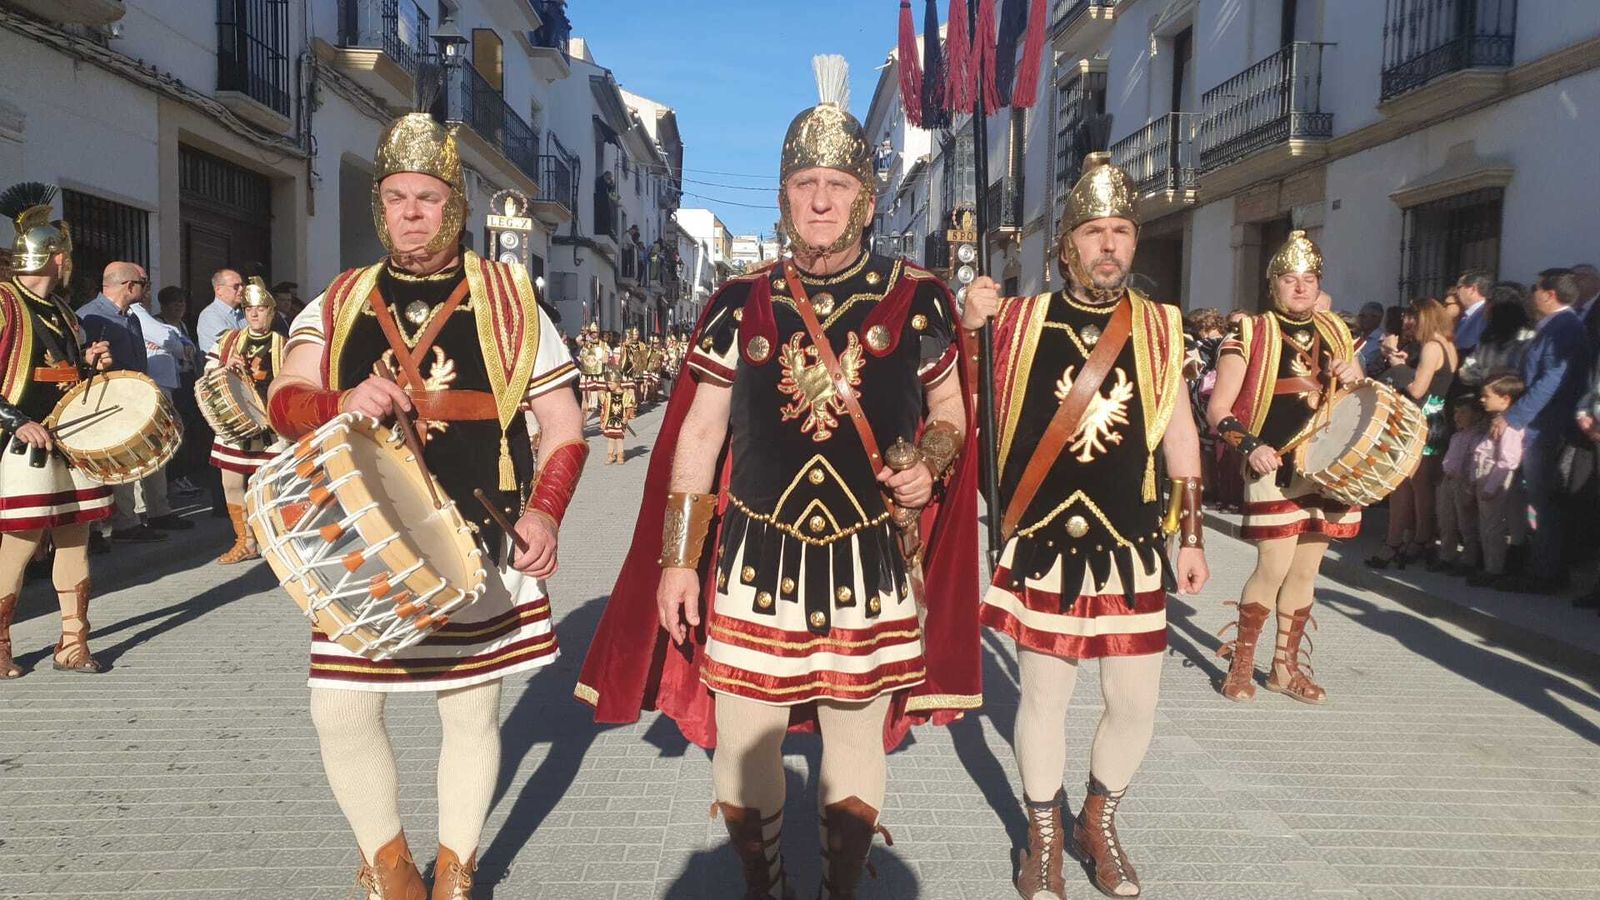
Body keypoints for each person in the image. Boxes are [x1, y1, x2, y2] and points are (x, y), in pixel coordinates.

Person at [576, 56, 980, 900]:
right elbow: (696, 434)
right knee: (744, 739)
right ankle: (766, 886)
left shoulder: (920, 298)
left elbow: (951, 410)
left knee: (857, 737)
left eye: (837, 183)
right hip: (757, 557)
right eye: (805, 184)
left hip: (870, 560)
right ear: (785, 195)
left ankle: (840, 886)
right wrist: (679, 560)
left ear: (867, 196)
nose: (821, 200)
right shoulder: (738, 301)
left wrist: (933, 465)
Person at [264, 106, 585, 898]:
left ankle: (456, 869)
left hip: (478, 544)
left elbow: (564, 423)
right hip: (360, 543)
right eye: (398, 197)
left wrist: (544, 511)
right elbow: (284, 396)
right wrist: (338, 400)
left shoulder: (511, 299)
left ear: (457, 207)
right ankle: (391, 866)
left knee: (469, 717)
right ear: (381, 205)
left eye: (430, 198)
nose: (412, 213)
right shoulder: (339, 299)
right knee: (339, 711)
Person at [963, 152, 1208, 900]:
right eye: (1095, 232)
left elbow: (1178, 430)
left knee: (1135, 703)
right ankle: (1042, 833)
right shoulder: (1019, 319)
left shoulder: (1163, 327)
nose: (1110, 245)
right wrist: (971, 321)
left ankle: (1095, 821)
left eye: (1122, 232)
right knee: (1044, 699)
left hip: (1133, 544)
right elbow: (968, 406)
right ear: (1068, 244)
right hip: (1044, 544)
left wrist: (1190, 532)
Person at [1207, 230, 1364, 705]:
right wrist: (1249, 446)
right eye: (1291, 279)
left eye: (1310, 279)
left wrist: (1356, 376)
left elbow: (1359, 404)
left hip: (1327, 467)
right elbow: (1219, 410)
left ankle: (1284, 668)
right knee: (1273, 566)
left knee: (1305, 572)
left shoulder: (1338, 331)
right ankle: (1241, 664)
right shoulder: (1248, 334)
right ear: (1272, 284)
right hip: (1273, 463)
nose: (1301, 288)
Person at [0, 182, 115, 678]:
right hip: (20, 443)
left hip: (67, 441)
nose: (68, 263)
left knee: (75, 537)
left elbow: (61, 377)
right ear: (54, 257)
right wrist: (16, 420)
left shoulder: (64, 313)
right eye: (65, 254)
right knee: (21, 541)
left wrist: (88, 366)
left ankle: (73, 642)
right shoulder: (5, 302)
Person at [1491, 269, 1590, 594]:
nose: (1532, 294)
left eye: (1536, 288)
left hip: (1548, 426)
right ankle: (1540, 566)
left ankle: (1546, 573)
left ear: (1548, 294)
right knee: (1538, 499)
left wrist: (1515, 416)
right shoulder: (1556, 326)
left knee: (1544, 502)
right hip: (1541, 425)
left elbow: (1552, 379)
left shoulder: (1565, 327)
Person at [80, 262, 191, 540]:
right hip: (111, 402)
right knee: (121, 462)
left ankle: (156, 511)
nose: (146, 288)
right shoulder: (91, 317)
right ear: (129, 286)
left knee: (151, 455)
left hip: (138, 398)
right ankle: (125, 522)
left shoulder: (130, 316)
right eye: (143, 283)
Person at [1368, 298, 1457, 568]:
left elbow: (1418, 389)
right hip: (1435, 418)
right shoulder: (1446, 344)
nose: (1407, 322)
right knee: (1420, 485)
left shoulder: (1431, 346)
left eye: (1412, 317)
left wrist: (1395, 361)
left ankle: (1397, 542)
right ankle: (1418, 540)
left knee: (1404, 482)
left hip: (1422, 421)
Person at [205, 277, 284, 564]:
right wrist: (225, 366)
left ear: (270, 312)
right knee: (231, 484)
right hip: (236, 424)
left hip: (268, 428)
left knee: (266, 488)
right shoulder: (228, 340)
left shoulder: (282, 344)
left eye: (261, 308)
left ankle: (272, 540)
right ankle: (244, 541)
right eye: (249, 308)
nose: (254, 313)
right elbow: (208, 372)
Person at [1470, 374, 1527, 587]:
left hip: (1494, 479)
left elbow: (1508, 460)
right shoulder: (1493, 422)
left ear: (1505, 399)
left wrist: (1491, 486)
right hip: (1486, 476)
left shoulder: (1510, 428)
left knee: (1493, 527)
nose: (1482, 400)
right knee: (1489, 525)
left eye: (1487, 396)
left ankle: (1494, 569)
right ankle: (1491, 565)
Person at [1434, 399, 1486, 574]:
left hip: (1463, 482)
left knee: (1466, 522)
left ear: (1477, 415)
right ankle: (1446, 555)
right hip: (1448, 480)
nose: (1457, 416)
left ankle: (1469, 559)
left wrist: (1471, 484)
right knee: (1446, 519)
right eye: (1456, 412)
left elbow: (1474, 463)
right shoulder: (1456, 436)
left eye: (1463, 412)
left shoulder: (1477, 437)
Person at [196, 268, 246, 358]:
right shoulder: (209, 315)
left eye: (242, 285)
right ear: (219, 290)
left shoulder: (241, 315)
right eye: (236, 286)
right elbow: (231, 346)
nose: (241, 289)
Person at [598, 365, 634, 464]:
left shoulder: (625, 395)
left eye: (611, 383)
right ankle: (610, 455)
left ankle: (620, 455)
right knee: (611, 438)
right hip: (610, 420)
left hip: (620, 421)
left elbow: (629, 407)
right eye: (608, 383)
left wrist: (626, 417)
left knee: (619, 438)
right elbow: (604, 409)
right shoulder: (608, 395)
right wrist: (602, 421)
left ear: (618, 383)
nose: (609, 385)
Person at [1454, 269, 1493, 354]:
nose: (1456, 292)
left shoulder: (1485, 314)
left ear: (1472, 289)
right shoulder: (1467, 315)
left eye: (1459, 287)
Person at [1354, 301, 1386, 373]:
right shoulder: (1358, 337)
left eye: (1363, 316)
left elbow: (1366, 363)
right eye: (1359, 316)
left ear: (1376, 318)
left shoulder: (1381, 341)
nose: (1359, 319)